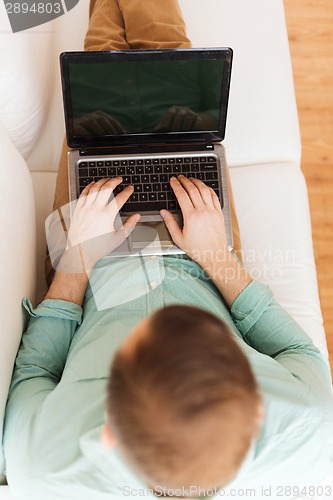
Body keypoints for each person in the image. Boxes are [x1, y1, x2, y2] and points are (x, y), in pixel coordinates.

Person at [4, 1, 333, 500]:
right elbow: (295, 351)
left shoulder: (41, 462)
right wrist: (215, 255)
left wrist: (78, 261)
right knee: (170, 76)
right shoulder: (310, 426)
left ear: (109, 432)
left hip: (90, 266)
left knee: (100, 105)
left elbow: (35, 372)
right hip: (208, 258)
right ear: (259, 408)